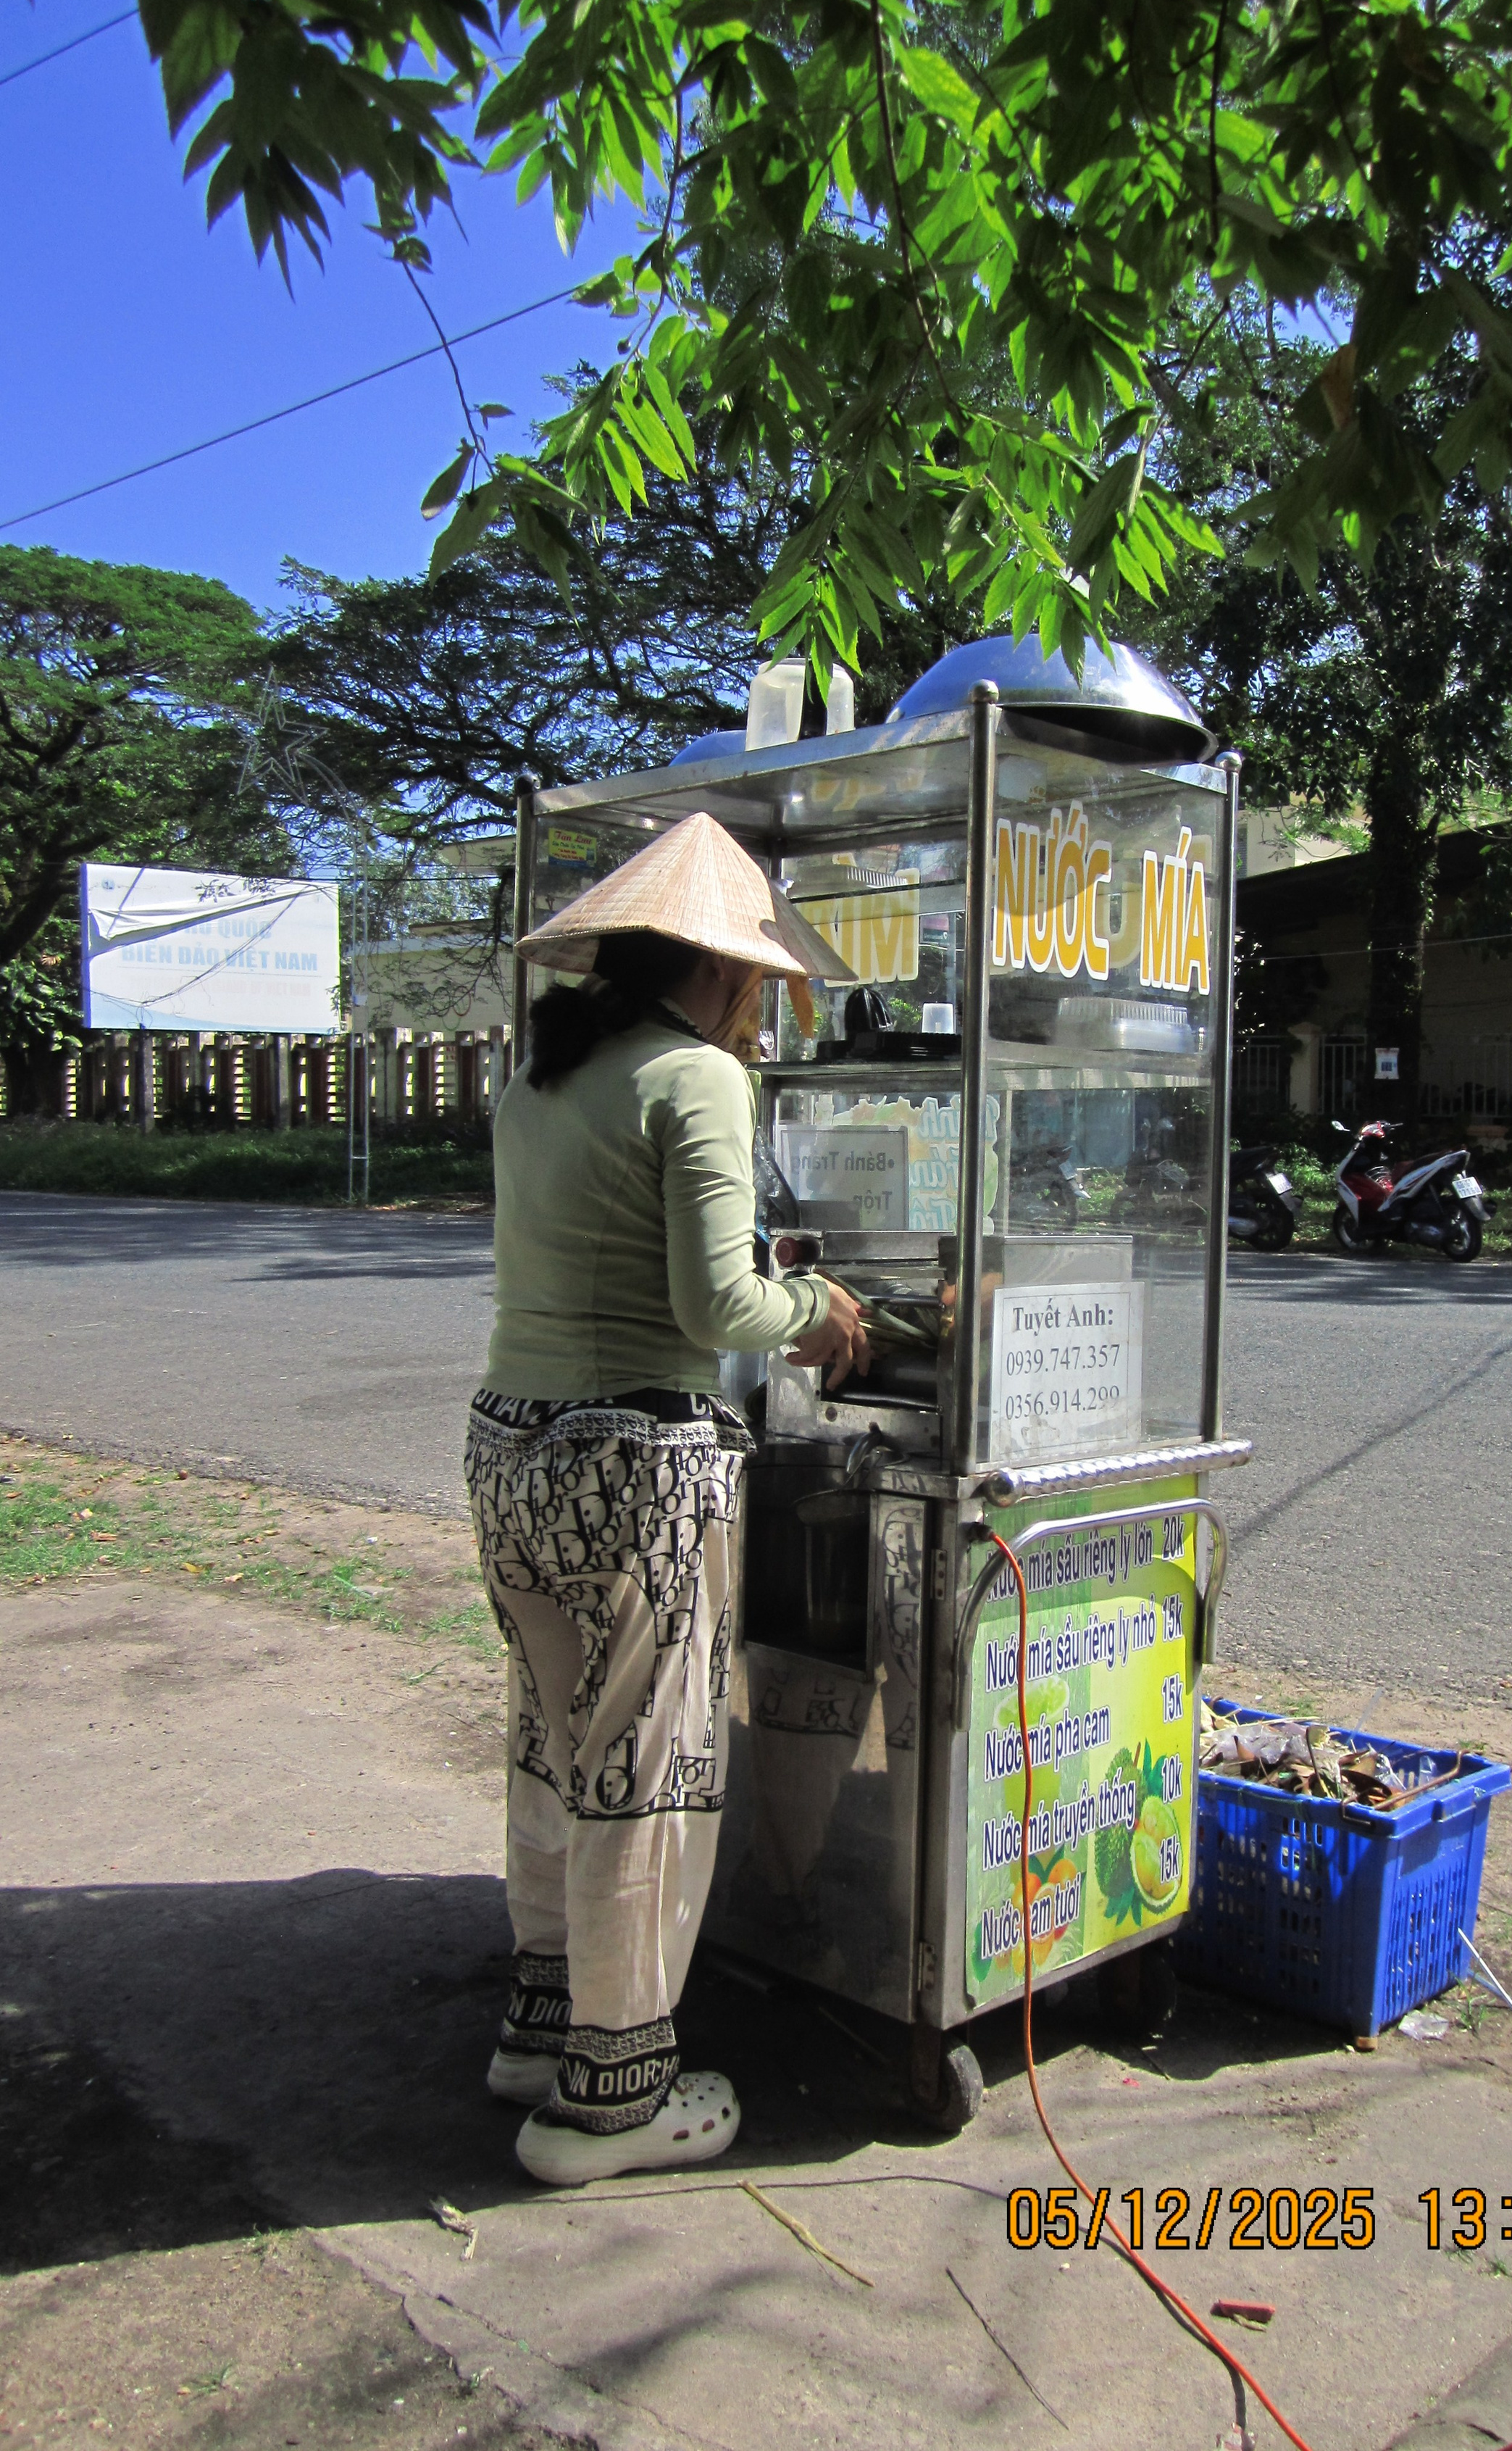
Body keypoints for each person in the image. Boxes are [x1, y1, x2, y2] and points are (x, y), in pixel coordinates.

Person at [465, 812, 866, 2186]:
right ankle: (611, 2095)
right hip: (637, 1470)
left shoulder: (541, 1076)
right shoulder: (696, 1077)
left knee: (551, 1742)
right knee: (650, 1768)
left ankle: (542, 2024)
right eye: (759, 977)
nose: (760, 1004)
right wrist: (819, 1308)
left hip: (512, 1455)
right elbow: (718, 1307)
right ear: (724, 967)